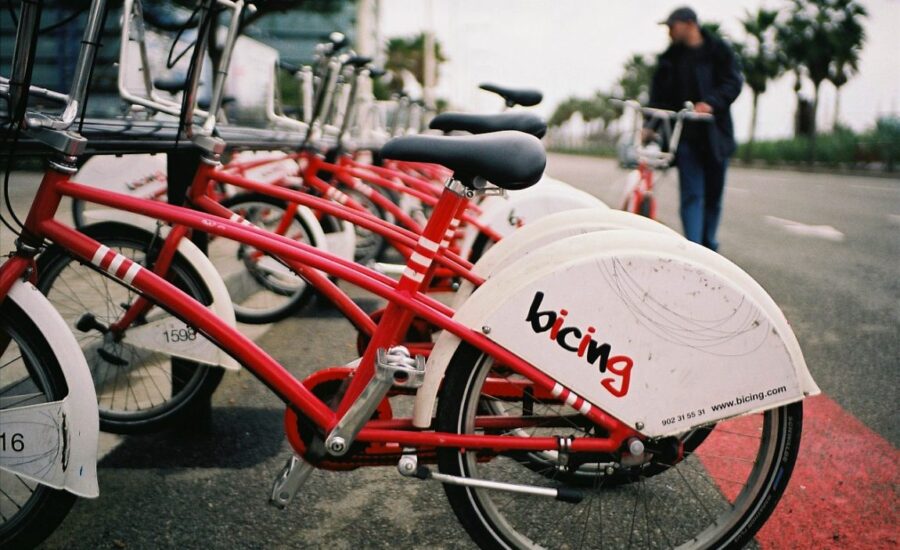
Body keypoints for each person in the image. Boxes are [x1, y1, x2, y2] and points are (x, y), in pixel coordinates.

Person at [648, 6, 743, 251]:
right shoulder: (670, 58)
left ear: (689, 23)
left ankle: (709, 246)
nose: (669, 32)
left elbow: (733, 82)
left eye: (672, 26)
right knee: (691, 194)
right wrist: (651, 125)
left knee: (713, 196)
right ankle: (695, 249)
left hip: (716, 137)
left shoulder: (718, 50)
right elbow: (659, 97)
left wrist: (711, 103)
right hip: (686, 138)